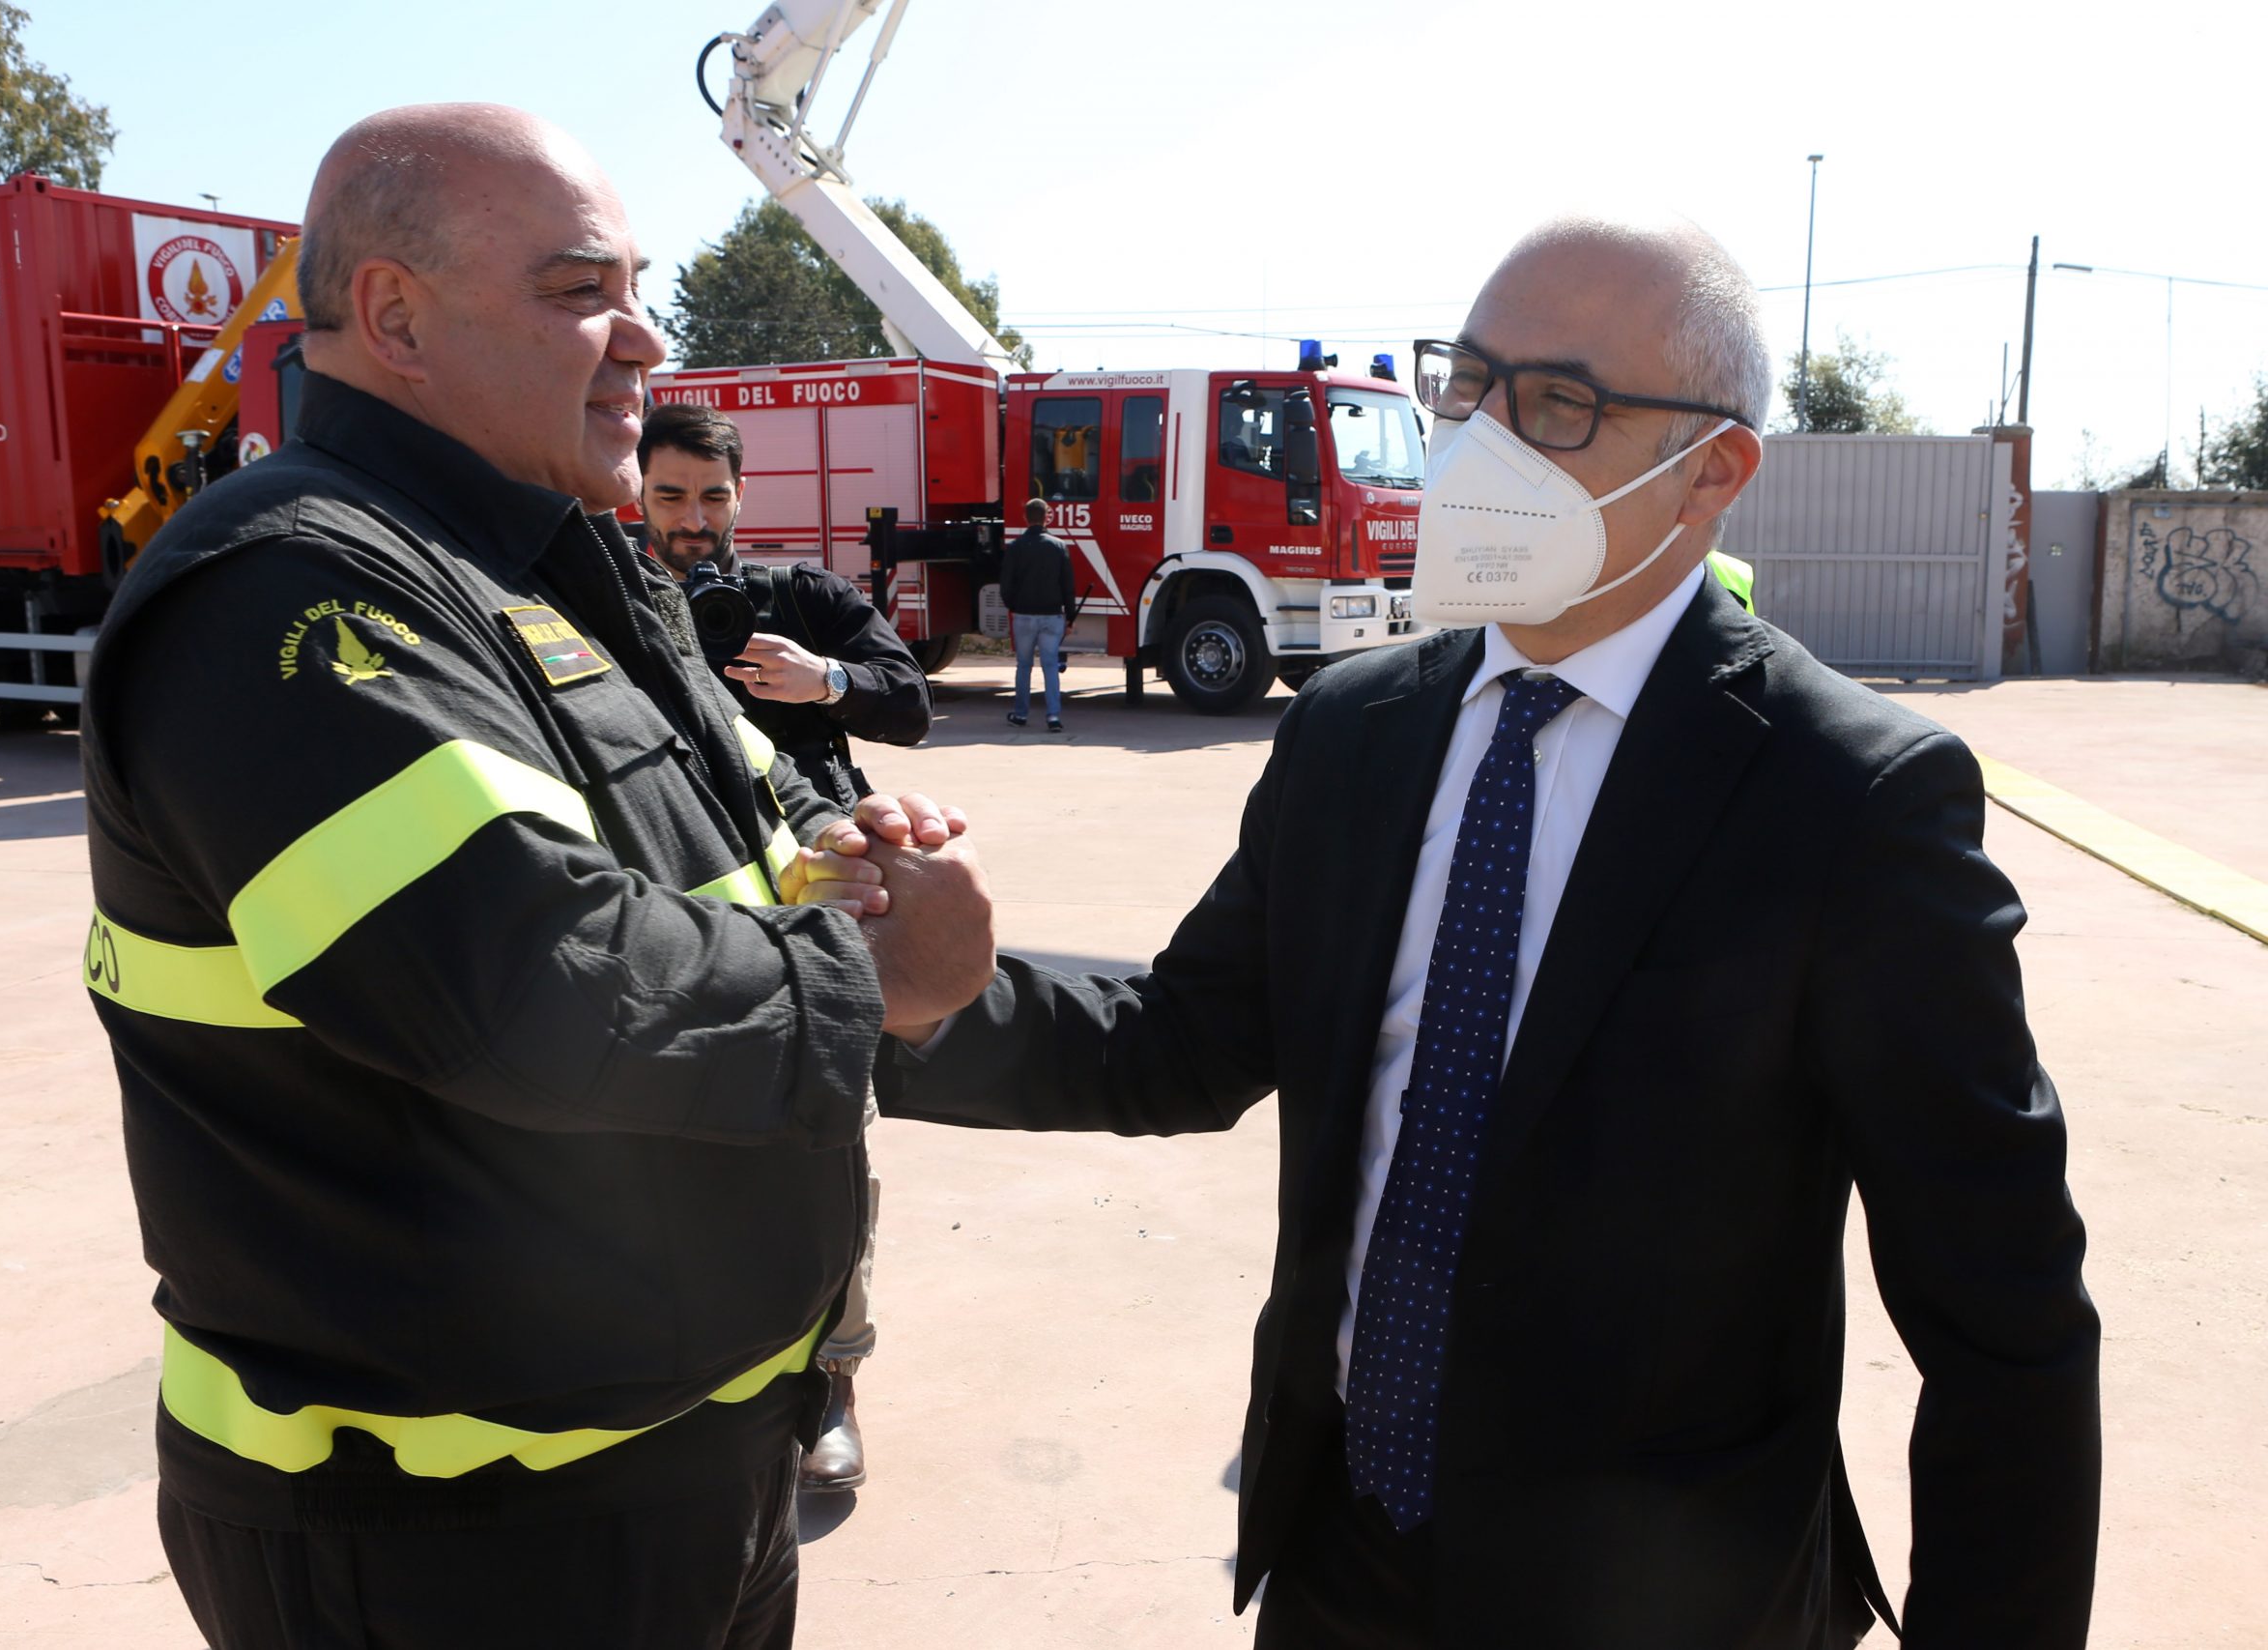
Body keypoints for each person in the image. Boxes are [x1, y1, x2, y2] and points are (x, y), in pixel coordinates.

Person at [864, 216, 2102, 1647]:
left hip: (1670, 1597)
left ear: (1714, 469)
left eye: (1557, 404)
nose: (1480, 442)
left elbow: (2003, 1316)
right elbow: (1185, 1037)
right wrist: (933, 1000)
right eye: (1472, 381)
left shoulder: (1850, 796)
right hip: (1340, 1551)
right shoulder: (1354, 729)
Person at [78, 104, 990, 1649]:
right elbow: (534, 978)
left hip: (688, 1465)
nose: (642, 336)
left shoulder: (567, 568)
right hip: (448, 1532)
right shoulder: (293, 589)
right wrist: (882, 974)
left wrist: (876, 886)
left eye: (640, 286)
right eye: (580, 290)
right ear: (393, 316)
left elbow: (764, 876)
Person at [637, 398, 935, 1493]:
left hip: (814, 911)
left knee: (827, 1146)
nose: (691, 520)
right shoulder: (605, 603)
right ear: (639, 492)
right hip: (674, 913)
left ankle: (833, 1386)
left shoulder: (798, 599)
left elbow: (908, 704)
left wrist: (829, 682)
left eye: (711, 497)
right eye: (669, 496)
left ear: (740, 497)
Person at [1000, 497, 1074, 732]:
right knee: (1050, 666)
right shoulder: (1059, 546)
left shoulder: (1016, 547)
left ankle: (1021, 714)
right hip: (1052, 616)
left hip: (1023, 615)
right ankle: (1053, 717)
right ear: (1046, 517)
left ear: (1025, 517)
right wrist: (1070, 616)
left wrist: (1013, 605)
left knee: (1024, 665)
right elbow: (1067, 585)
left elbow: (1006, 584)